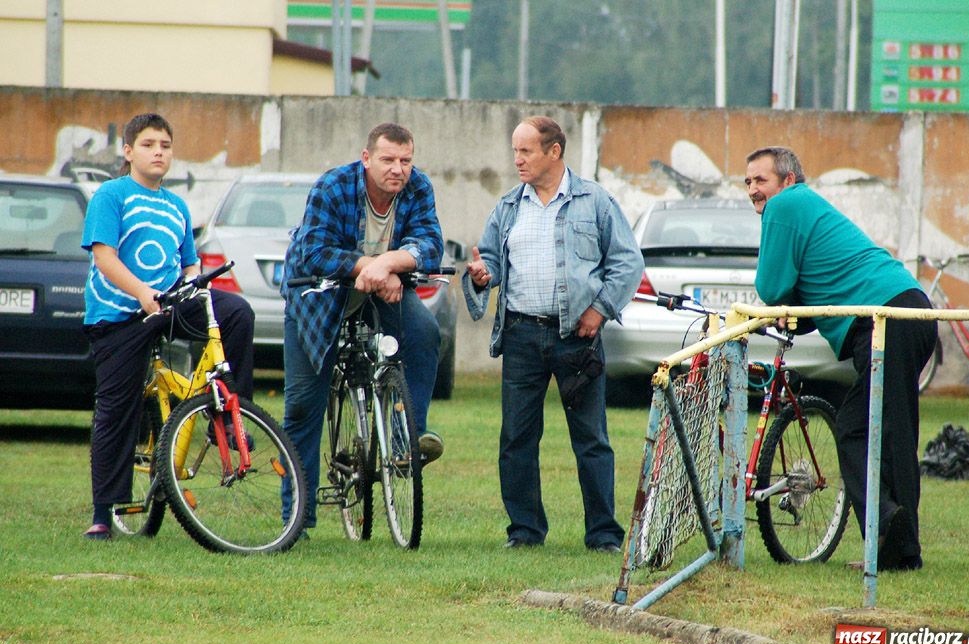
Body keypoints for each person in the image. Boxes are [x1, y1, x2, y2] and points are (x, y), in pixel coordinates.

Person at [746, 146, 937, 571]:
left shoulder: (787, 204)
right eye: (748, 182)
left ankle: (888, 528)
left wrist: (783, 305)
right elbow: (817, 296)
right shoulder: (806, 208)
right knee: (891, 432)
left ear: (788, 180)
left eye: (761, 180)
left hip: (888, 319)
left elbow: (772, 286)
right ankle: (900, 549)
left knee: (854, 428)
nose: (753, 190)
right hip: (908, 312)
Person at [463, 116, 643, 552]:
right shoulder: (508, 207)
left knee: (591, 440)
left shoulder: (595, 202)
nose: (517, 160)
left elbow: (627, 263)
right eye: (515, 151)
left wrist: (599, 311)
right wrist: (484, 275)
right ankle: (524, 532)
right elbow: (490, 262)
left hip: (577, 339)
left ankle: (603, 536)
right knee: (516, 439)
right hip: (522, 335)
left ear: (554, 152)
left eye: (525, 151)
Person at [82, 113, 255, 540]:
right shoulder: (112, 195)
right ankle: (104, 513)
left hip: (169, 305)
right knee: (116, 409)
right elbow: (104, 257)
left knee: (236, 313)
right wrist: (143, 294)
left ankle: (227, 414)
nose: (159, 151)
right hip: (119, 316)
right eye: (148, 144)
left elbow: (188, 262)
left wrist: (192, 283)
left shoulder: (176, 206)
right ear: (128, 151)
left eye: (165, 144)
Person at [280, 123, 444, 533]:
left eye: (406, 161)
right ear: (366, 158)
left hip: (383, 288)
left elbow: (430, 243)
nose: (398, 169)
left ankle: (407, 442)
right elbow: (314, 250)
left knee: (424, 332)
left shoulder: (417, 187)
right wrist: (368, 266)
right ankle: (297, 518)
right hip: (318, 294)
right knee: (303, 403)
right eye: (388, 159)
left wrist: (388, 264)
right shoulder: (332, 187)